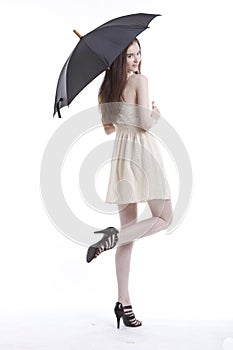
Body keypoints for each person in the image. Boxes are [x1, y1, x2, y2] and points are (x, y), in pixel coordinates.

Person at [86, 38, 173, 329]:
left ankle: (124, 303)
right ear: (118, 59)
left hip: (122, 156)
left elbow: (109, 128)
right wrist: (155, 114)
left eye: (138, 54)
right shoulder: (140, 81)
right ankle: (113, 239)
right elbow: (146, 124)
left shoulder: (105, 90)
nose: (136, 60)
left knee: (128, 233)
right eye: (130, 56)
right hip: (142, 153)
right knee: (164, 217)